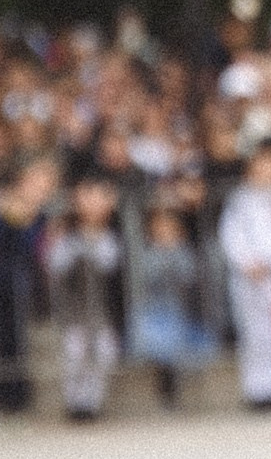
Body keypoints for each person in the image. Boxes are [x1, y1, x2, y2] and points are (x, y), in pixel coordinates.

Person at [219, 143, 271, 406]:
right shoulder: (240, 199)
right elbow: (231, 234)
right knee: (253, 333)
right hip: (247, 277)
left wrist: (269, 260)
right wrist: (247, 262)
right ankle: (257, 389)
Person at [47, 178, 124, 422]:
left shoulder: (112, 235)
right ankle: (75, 402)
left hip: (101, 310)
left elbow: (110, 263)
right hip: (75, 310)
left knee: (103, 352)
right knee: (75, 352)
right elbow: (57, 264)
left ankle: (93, 401)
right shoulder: (68, 235)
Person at [130, 197, 215, 405]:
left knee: (186, 344)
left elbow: (189, 276)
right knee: (158, 341)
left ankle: (176, 381)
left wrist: (173, 256)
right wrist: (164, 258)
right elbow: (146, 278)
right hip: (154, 313)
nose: (165, 233)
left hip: (180, 314)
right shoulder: (147, 254)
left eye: (170, 228)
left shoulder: (184, 252)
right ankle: (166, 380)